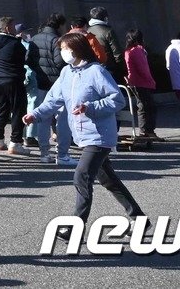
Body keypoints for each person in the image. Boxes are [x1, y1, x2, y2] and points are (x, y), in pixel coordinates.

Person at [25, 32, 145, 230]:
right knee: (109, 180)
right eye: (61, 49)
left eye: (65, 49)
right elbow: (54, 99)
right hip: (82, 135)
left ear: (77, 49)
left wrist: (90, 107)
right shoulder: (66, 73)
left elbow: (117, 99)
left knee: (81, 176)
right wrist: (35, 115)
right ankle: (139, 218)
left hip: (99, 135)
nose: (62, 53)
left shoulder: (97, 71)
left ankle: (75, 227)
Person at [30, 13, 72, 165]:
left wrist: (39, 71)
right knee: (62, 118)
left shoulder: (35, 38)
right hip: (57, 82)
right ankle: (62, 153)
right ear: (60, 25)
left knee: (43, 117)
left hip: (41, 82)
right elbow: (59, 62)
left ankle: (44, 153)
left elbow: (30, 60)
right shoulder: (56, 40)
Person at [0, 16, 29, 155]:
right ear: (7, 28)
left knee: (2, 109)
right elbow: (23, 57)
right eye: (13, 26)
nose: (14, 28)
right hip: (14, 79)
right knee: (18, 110)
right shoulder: (15, 43)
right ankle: (15, 143)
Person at [123, 31, 158, 139]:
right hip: (142, 82)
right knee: (148, 106)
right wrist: (151, 81)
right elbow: (143, 68)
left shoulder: (128, 51)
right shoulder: (138, 50)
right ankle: (148, 131)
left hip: (134, 81)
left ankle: (145, 131)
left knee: (143, 106)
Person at [88, 8, 122, 78]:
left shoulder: (87, 31)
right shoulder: (108, 31)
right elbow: (117, 54)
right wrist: (122, 70)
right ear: (105, 18)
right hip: (109, 68)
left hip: (92, 68)